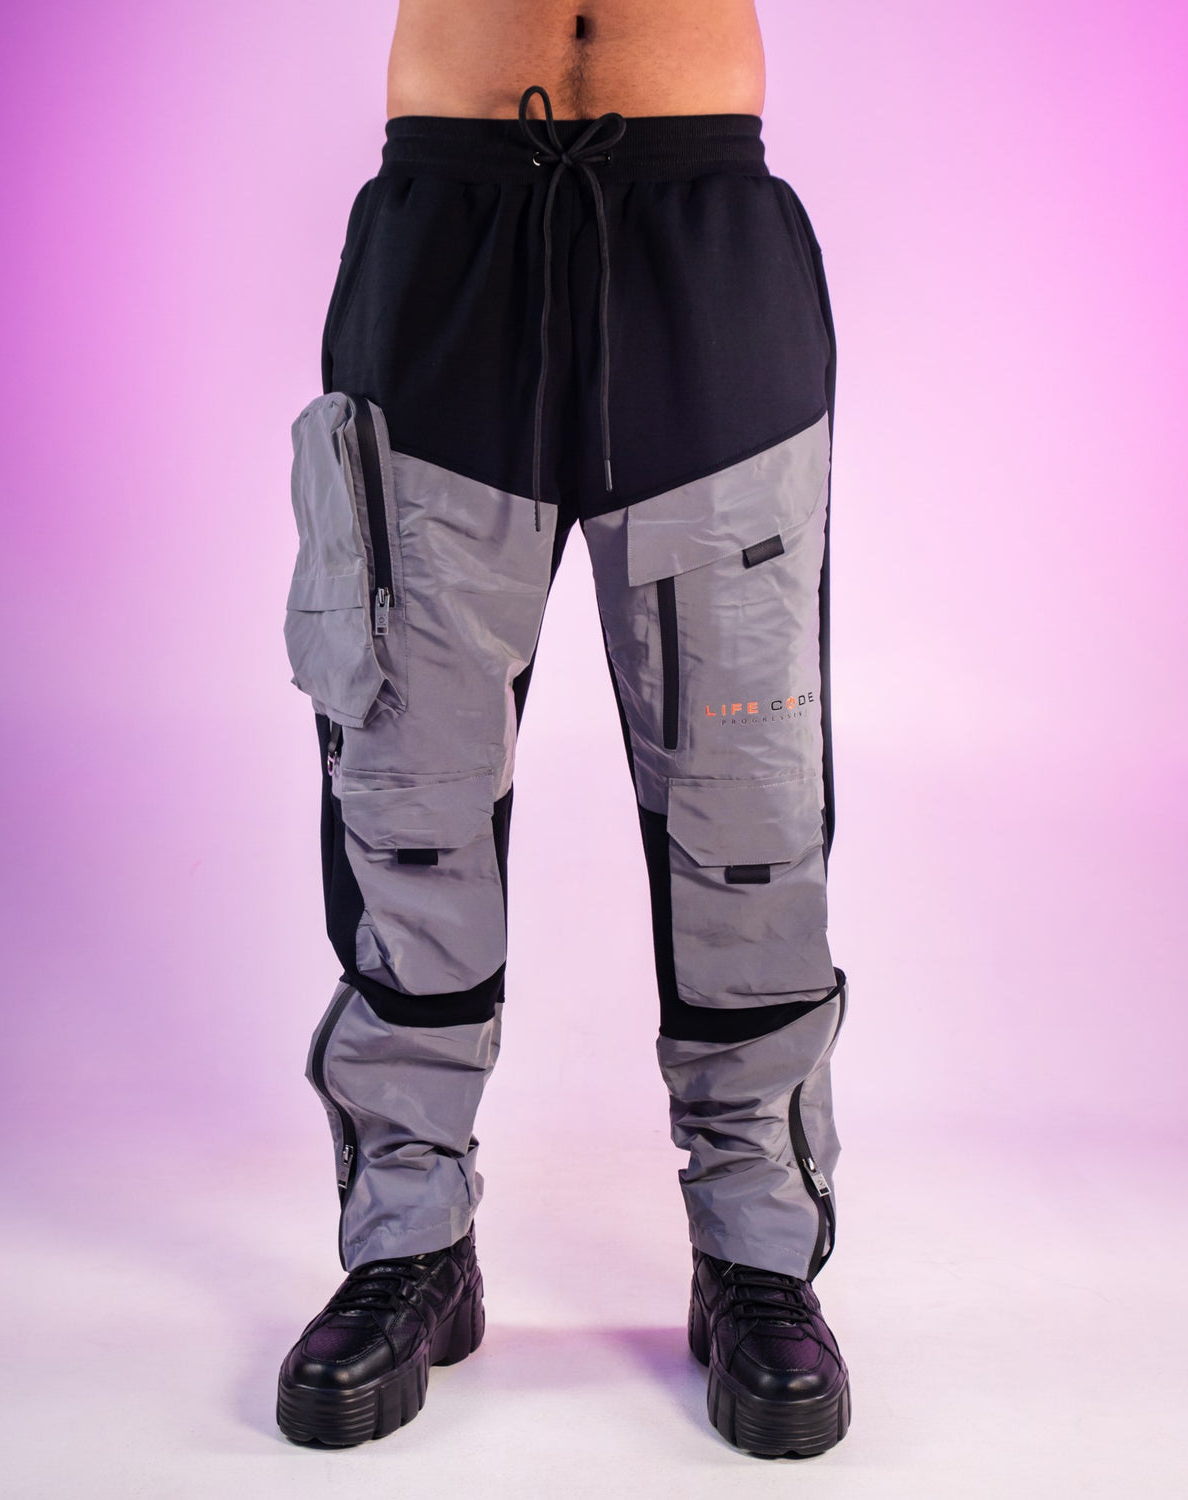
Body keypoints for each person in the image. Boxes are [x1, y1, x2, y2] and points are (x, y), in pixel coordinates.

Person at [277, 0, 850, 1461]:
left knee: (748, 804)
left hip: (701, 232)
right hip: (446, 232)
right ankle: (410, 1244)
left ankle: (756, 1259)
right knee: (408, 787)